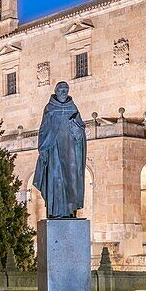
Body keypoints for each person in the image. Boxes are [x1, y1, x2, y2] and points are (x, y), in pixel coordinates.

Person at [33, 81, 86, 219]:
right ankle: (55, 211)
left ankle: (70, 211)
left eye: (66, 89)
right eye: (61, 89)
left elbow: (81, 129)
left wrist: (75, 127)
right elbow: (43, 129)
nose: (63, 92)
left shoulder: (73, 107)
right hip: (54, 148)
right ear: (56, 91)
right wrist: (42, 148)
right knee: (56, 179)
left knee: (71, 180)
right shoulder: (50, 108)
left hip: (70, 150)